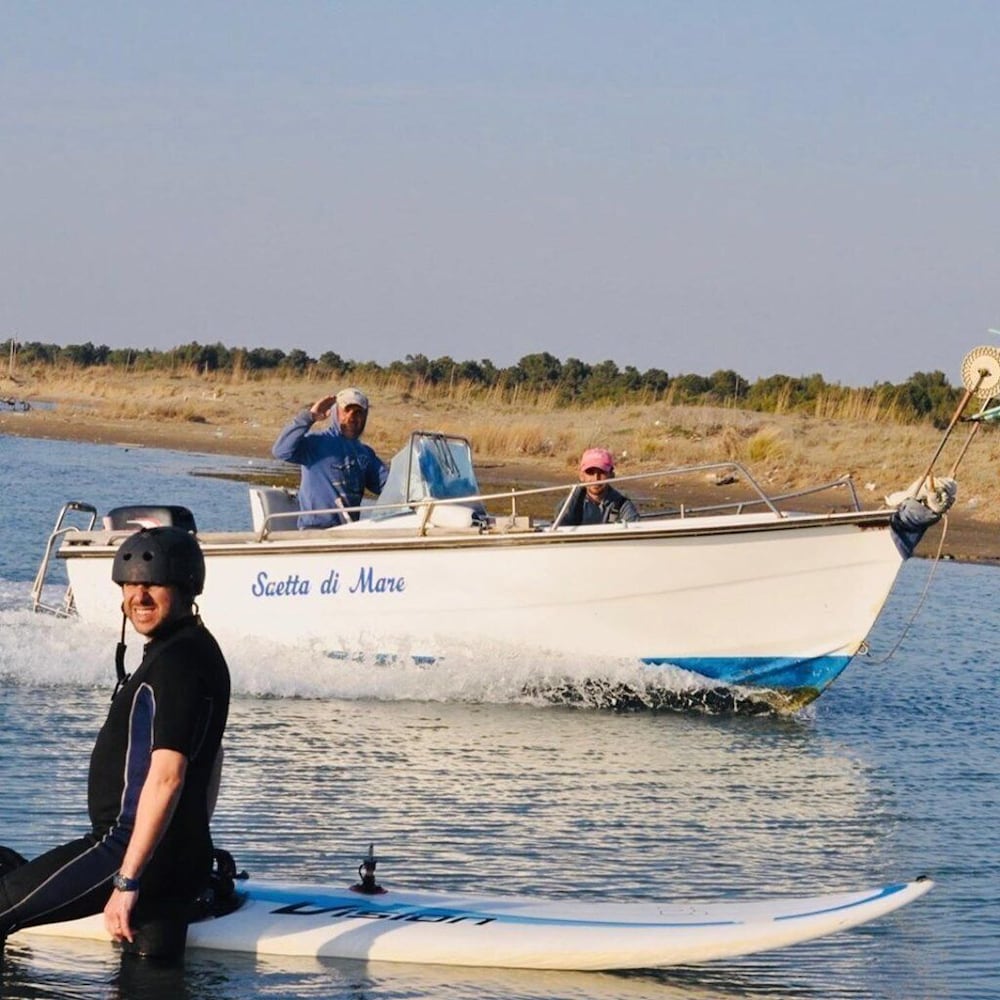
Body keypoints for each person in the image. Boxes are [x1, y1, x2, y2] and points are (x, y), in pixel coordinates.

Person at [0, 527, 230, 961]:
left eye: (152, 584)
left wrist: (127, 881)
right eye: (130, 585)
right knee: (147, 979)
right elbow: (212, 756)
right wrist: (190, 843)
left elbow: (168, 778)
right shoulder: (196, 648)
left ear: (184, 588)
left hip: (121, 850)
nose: (138, 597)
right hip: (169, 857)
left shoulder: (176, 663)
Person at [272, 386, 389, 528]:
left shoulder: (364, 454)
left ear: (365, 416)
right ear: (335, 412)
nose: (352, 417)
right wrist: (309, 416)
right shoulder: (315, 443)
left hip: (349, 531)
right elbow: (281, 451)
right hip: (315, 531)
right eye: (347, 410)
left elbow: (388, 485)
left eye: (358, 412)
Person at [553, 447, 639, 527]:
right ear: (581, 476)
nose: (596, 479)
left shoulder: (623, 505)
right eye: (590, 472)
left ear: (611, 475)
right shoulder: (567, 506)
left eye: (601, 472)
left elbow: (635, 531)